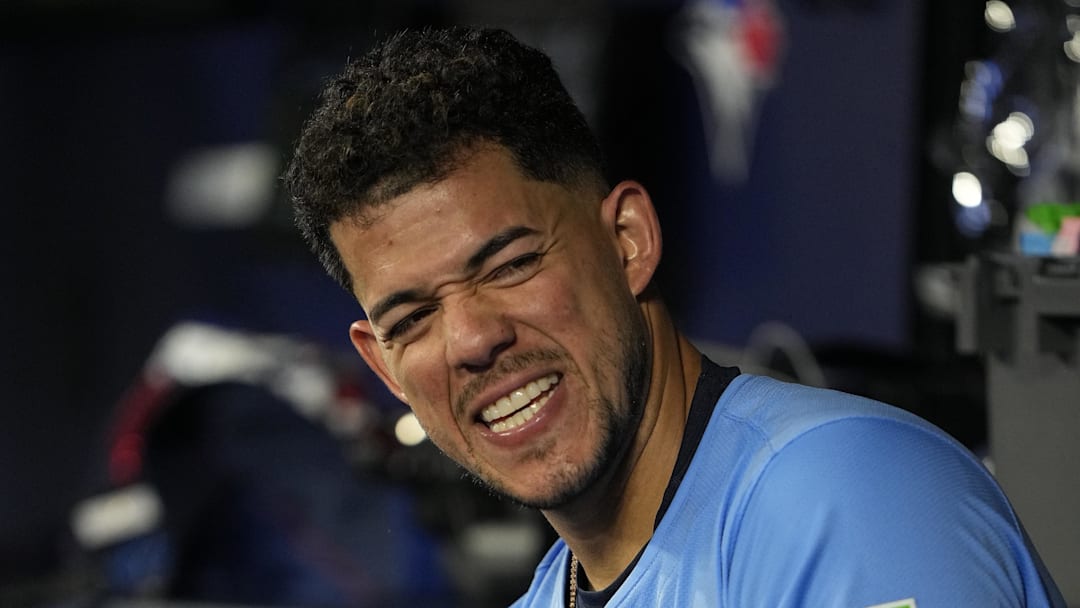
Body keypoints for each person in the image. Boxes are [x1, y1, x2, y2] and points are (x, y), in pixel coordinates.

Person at [283, 26, 1064, 607]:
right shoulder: (548, 597)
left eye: (511, 265)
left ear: (628, 241)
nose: (473, 340)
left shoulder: (840, 494)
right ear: (382, 363)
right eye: (413, 316)